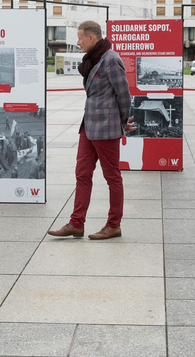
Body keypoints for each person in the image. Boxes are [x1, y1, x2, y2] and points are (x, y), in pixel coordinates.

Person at [48, 20, 135, 240]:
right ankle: (76, 223)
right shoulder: (92, 60)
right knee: (82, 174)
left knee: (112, 177)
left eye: (79, 38)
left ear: (91, 38)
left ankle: (113, 225)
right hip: (88, 127)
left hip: (106, 128)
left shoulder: (111, 60)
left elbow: (123, 95)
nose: (77, 42)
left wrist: (123, 120)